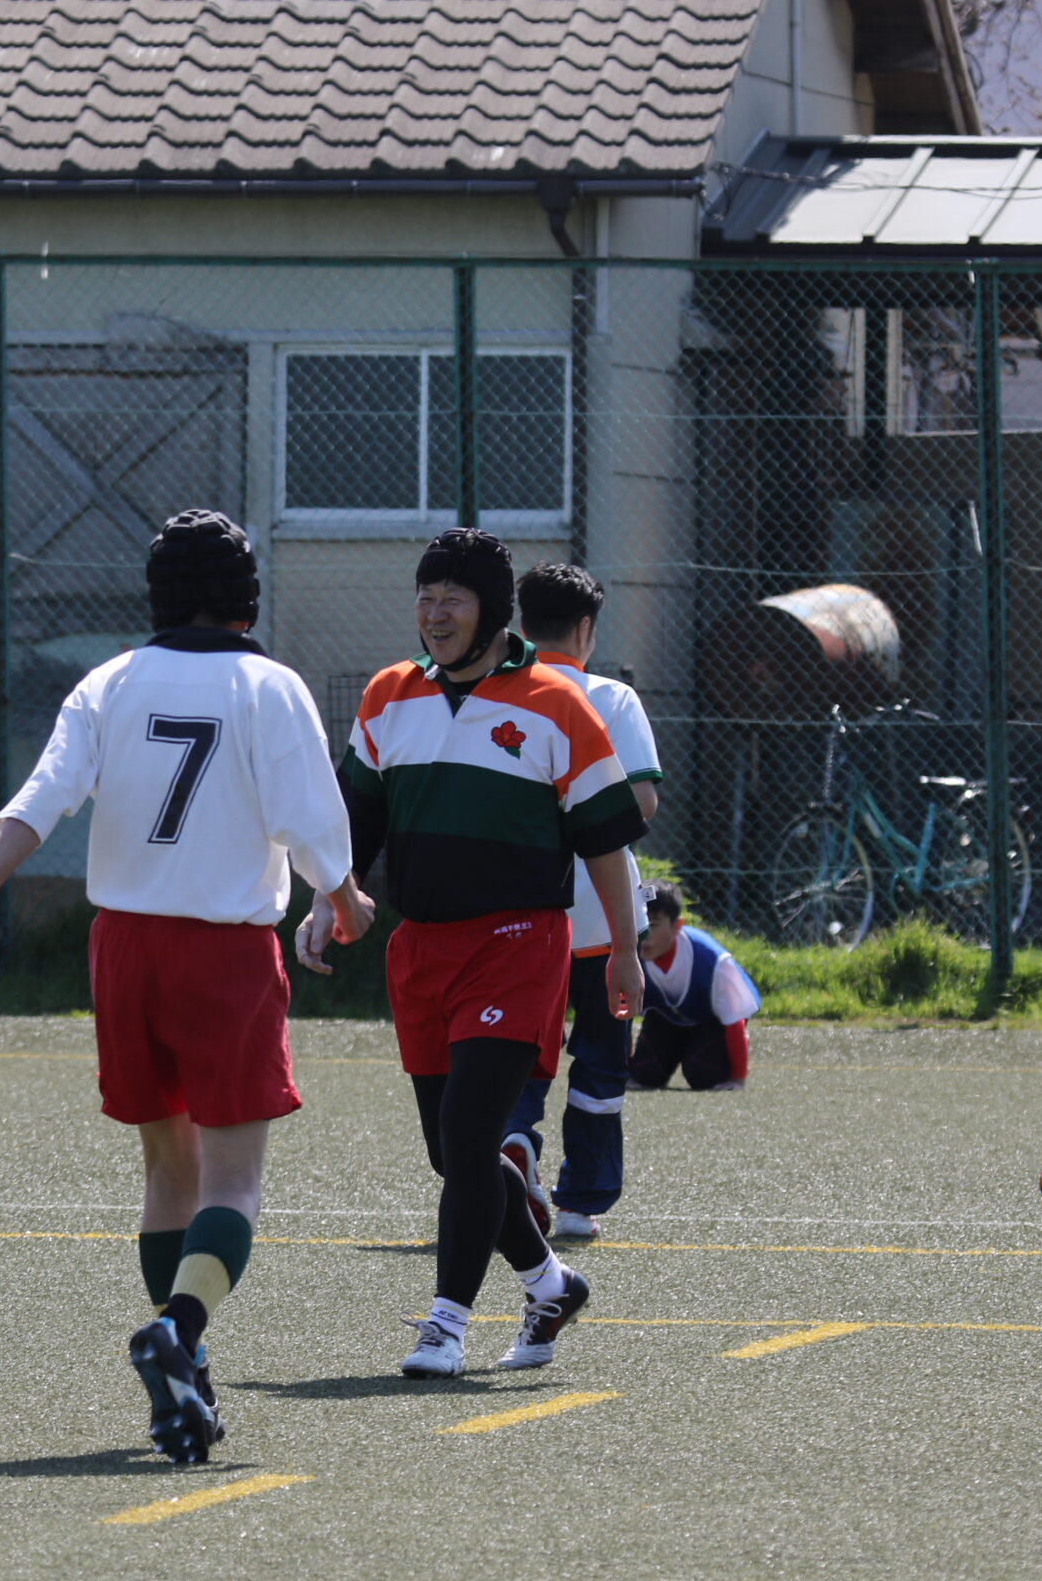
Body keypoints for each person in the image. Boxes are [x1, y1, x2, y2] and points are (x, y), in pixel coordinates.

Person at [0, 508, 371, 1465]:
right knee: (233, 1179)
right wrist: (344, 897)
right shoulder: (269, 685)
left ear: (158, 595)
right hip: (224, 953)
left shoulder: (111, 680)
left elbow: (41, 799)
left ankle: (188, 1375)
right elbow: (308, 819)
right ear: (247, 597)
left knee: (168, 1169)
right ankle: (177, 1328)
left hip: (124, 949)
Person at [305, 527, 644, 1378]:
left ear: (492, 610)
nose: (434, 612)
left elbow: (605, 842)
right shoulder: (389, 695)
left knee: (468, 1132)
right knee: (450, 1151)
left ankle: (445, 1326)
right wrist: (326, 899)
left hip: (518, 944)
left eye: (452, 598)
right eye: (425, 596)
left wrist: (625, 950)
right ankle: (550, 1283)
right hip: (422, 950)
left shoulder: (558, 703)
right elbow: (355, 820)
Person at [499, 563, 663, 1240]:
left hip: (513, 912)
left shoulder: (496, 693)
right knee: (599, 1057)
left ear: (520, 623)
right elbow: (641, 804)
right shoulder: (611, 697)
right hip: (601, 916)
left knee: (513, 1051)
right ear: (586, 628)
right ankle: (578, 1203)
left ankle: (513, 1144)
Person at [626, 882, 761, 1092]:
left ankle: (697, 1053)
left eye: (652, 924)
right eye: (637, 923)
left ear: (677, 926)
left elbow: (735, 1021)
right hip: (666, 1019)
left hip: (711, 1021)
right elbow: (622, 1016)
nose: (643, 934)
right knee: (645, 1075)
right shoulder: (626, 955)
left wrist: (737, 1078)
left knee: (704, 1075)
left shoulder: (711, 960)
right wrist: (622, 1069)